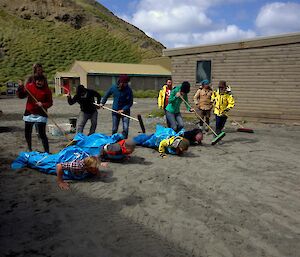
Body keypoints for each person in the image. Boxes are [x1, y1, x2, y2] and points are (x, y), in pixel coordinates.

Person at [17, 74, 53, 153]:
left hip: (41, 114)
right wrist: (20, 87)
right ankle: (29, 148)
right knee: (27, 132)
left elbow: (50, 103)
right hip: (29, 112)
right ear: (35, 81)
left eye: (41, 81)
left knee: (42, 134)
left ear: (44, 82)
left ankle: (46, 151)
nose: (39, 83)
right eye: (38, 81)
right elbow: (21, 96)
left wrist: (43, 104)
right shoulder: (29, 87)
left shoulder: (47, 90)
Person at [100, 74, 133, 139]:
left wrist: (123, 110)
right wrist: (102, 103)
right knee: (114, 128)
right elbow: (106, 95)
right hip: (115, 111)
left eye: (127, 83)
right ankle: (113, 140)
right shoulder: (113, 88)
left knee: (125, 128)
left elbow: (130, 103)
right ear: (121, 82)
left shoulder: (128, 90)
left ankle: (124, 142)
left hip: (125, 112)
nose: (127, 84)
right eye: (126, 83)